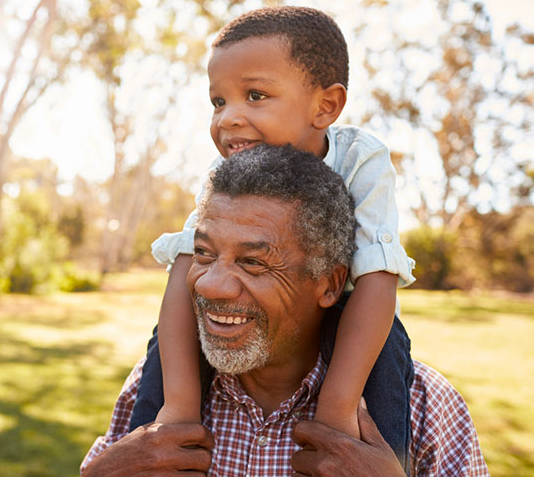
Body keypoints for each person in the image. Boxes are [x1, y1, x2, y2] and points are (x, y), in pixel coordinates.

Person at [80, 145, 489, 476]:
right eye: (203, 254)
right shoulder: (155, 386)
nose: (208, 284)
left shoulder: (425, 407)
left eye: (253, 262)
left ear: (329, 284)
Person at [131, 5, 416, 470]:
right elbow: (186, 267)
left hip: (350, 315)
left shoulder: (361, 159)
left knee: (389, 350)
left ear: (325, 106)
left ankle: (379, 460)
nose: (228, 119)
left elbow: (378, 278)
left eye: (255, 95)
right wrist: (178, 406)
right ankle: (148, 454)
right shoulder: (223, 175)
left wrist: (337, 409)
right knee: (166, 339)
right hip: (255, 325)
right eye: (218, 102)